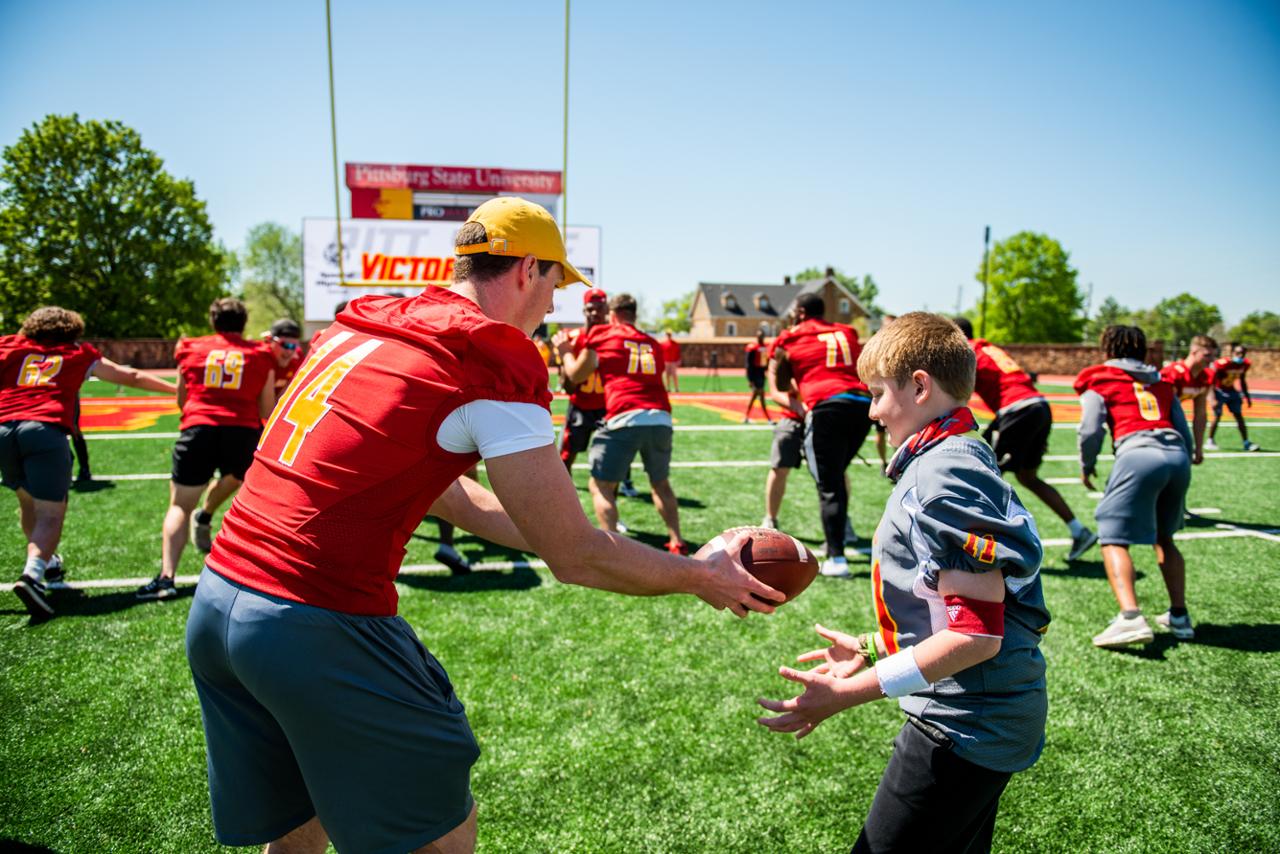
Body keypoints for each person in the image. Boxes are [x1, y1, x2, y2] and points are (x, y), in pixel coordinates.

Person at [185, 197, 782, 854]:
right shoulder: (486, 355)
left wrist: (576, 533)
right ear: (528, 269)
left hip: (217, 603)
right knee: (441, 838)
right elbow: (575, 557)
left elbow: (459, 501)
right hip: (317, 618)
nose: (554, 305)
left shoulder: (366, 324)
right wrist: (701, 576)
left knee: (300, 823)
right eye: (555, 283)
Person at [757, 312, 1047, 854]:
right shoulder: (953, 454)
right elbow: (949, 605)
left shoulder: (944, 473)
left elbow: (975, 635)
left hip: (966, 721)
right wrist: (874, 645)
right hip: (980, 712)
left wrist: (847, 694)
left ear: (919, 386)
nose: (871, 411)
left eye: (877, 393)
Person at [1, 306, 176, 617]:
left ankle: (49, 562)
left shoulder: (10, 346)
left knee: (27, 501)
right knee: (50, 514)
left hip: (3, 429)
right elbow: (130, 376)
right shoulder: (78, 355)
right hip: (44, 429)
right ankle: (33, 574)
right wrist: (175, 390)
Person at [137, 298, 276, 601]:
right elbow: (267, 406)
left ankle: (166, 577)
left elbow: (181, 400)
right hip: (242, 432)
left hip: (199, 428)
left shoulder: (191, 348)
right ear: (244, 321)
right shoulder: (261, 354)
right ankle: (254, 576)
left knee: (178, 506)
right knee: (251, 499)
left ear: (213, 320)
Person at [1075, 325, 1194, 647]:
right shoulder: (1162, 381)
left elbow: (1089, 429)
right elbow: (1184, 431)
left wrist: (1087, 465)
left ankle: (1130, 617)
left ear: (1107, 349)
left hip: (1137, 454)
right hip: (1177, 455)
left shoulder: (1098, 377)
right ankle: (1180, 616)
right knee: (1165, 537)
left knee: (1112, 538)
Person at [953, 317, 1097, 560]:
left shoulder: (968, 352)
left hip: (1016, 410)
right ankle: (1078, 530)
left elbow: (957, 392)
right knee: (1027, 477)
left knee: (981, 475)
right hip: (1037, 406)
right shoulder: (988, 347)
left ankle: (983, 544)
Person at [558, 293, 687, 553]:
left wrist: (564, 352)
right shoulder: (652, 342)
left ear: (612, 315)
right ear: (635, 315)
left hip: (624, 414)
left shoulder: (604, 335)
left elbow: (574, 374)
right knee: (660, 484)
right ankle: (677, 541)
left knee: (600, 485)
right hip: (661, 417)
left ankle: (613, 547)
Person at [767, 293, 872, 577]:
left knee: (829, 484)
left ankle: (836, 557)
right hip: (862, 405)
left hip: (826, 407)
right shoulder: (846, 331)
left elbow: (778, 381)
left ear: (800, 312)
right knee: (836, 476)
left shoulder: (789, 337)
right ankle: (841, 536)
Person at [1160, 334, 1217, 463]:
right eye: (1207, 355)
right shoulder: (1173, 373)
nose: (1211, 360)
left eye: (1213, 356)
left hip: (1173, 417)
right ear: (1194, 351)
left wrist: (1199, 446)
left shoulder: (1206, 376)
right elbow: (1163, 408)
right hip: (1158, 421)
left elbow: (1200, 413)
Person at [1206, 342, 1259, 452]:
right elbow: (1211, 380)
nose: (1240, 356)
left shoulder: (1244, 364)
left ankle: (1246, 442)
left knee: (1239, 416)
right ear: (1232, 353)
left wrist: (1247, 396)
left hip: (1231, 391)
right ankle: (1210, 440)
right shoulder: (1222, 363)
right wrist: (1212, 397)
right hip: (1219, 390)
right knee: (1217, 415)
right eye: (1238, 353)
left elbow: (1242, 380)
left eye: (1243, 353)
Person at [743, 327, 773, 423]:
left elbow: (765, 363)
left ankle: (747, 417)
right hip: (755, 376)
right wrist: (750, 379)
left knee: (756, 397)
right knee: (760, 397)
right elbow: (749, 364)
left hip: (761, 375)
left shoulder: (764, 348)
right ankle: (768, 418)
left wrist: (766, 371)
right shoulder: (752, 348)